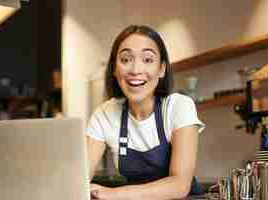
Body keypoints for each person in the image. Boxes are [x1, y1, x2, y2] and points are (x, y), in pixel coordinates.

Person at [86, 25, 205, 200]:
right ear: (114, 69)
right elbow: (79, 177)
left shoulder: (179, 106)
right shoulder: (104, 114)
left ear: (162, 69)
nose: (135, 70)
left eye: (148, 60)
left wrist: (112, 193)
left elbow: (179, 185)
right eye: (125, 60)